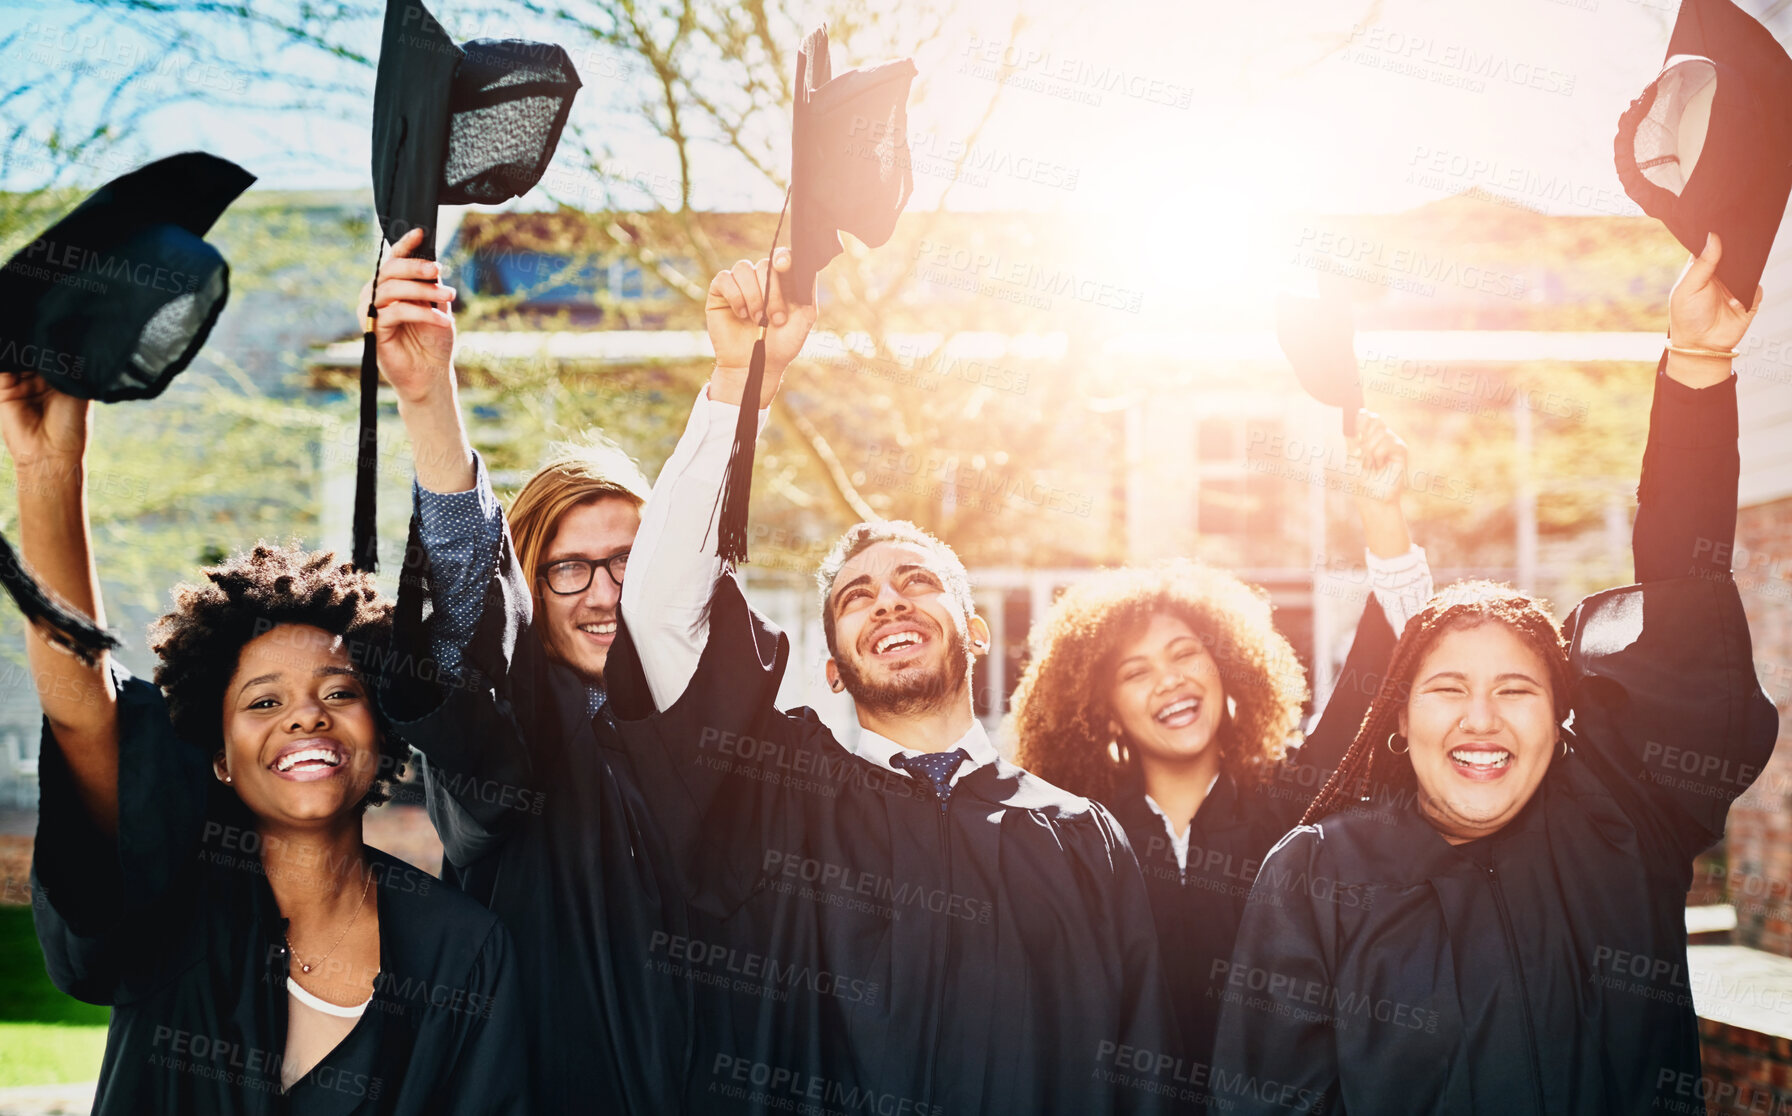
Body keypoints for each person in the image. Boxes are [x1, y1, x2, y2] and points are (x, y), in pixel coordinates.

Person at [600, 249, 1184, 1114]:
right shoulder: (779, 797)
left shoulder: (1083, 838)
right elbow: (659, 611)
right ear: (832, 665)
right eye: (857, 598)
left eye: (917, 583)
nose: (888, 602)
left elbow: (1144, 1071)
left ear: (975, 632)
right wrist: (741, 382)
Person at [1209, 233, 1780, 1114]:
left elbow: (1682, 593)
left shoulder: (1624, 832)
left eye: (1517, 689)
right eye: (1447, 689)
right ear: (1398, 718)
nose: (1483, 716)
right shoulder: (1318, 875)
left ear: (1563, 717)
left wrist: (1698, 367)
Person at [12, 370, 527, 1114]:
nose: (306, 716)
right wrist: (49, 470)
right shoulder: (178, 896)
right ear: (217, 757)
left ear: (381, 734)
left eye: (339, 692)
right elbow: (82, 707)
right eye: (264, 701)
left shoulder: (460, 951)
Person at [368, 226, 692, 1115]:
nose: (604, 593)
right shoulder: (516, 732)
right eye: (567, 568)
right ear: (531, 591)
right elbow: (474, 605)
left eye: (627, 560)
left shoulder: (709, 731)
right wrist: (431, 401)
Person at [1009, 412, 1423, 1094]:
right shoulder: (1075, 837)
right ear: (1101, 705)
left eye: (1184, 653)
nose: (1169, 679)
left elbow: (1387, 670)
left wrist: (1381, 512)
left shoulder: (1296, 801)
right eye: (1134, 672)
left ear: (1227, 664)